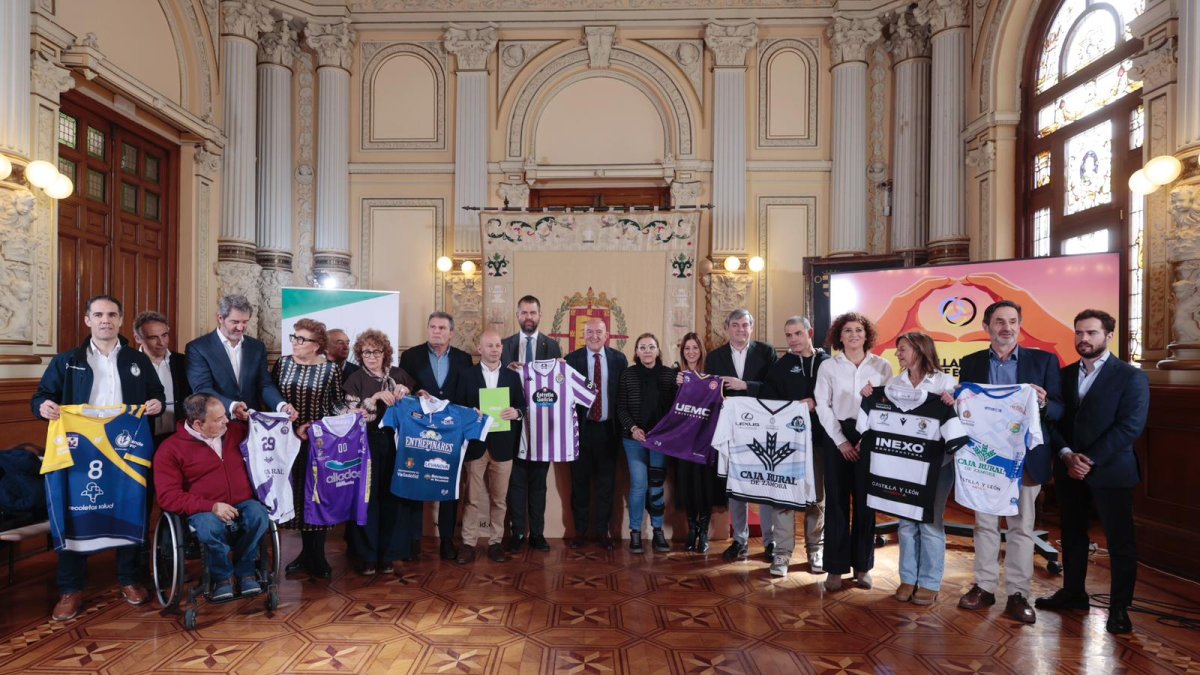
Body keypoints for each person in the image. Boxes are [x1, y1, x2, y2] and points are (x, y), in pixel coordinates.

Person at [31, 295, 164, 621]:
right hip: (80, 452)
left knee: (131, 508)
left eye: (112, 315)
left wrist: (156, 404)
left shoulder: (137, 359)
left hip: (124, 450)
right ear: (88, 320)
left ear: (120, 321)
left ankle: (130, 579)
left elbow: (156, 394)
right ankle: (70, 588)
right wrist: (43, 407)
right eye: (99, 314)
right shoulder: (67, 361)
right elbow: (41, 397)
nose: (106, 320)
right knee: (75, 513)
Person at [1036, 310, 1148, 635]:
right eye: (1079, 332)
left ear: (1108, 335)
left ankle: (1119, 608)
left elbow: (1130, 427)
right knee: (1072, 534)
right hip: (1069, 469)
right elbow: (1051, 419)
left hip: (1112, 472)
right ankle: (1073, 593)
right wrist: (1068, 455)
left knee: (1120, 541)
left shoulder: (1131, 377)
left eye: (1092, 333)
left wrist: (1088, 459)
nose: (1083, 339)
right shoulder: (1064, 374)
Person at [956, 300, 1063, 624]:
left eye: (1013, 321)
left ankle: (1018, 594)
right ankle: (985, 587)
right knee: (985, 525)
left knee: (1021, 528)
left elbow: (1060, 410)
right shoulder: (970, 362)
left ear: (1020, 325)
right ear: (987, 327)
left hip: (1024, 461)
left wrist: (1043, 404)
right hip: (985, 460)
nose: (1007, 327)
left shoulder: (1043, 361)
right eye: (1000, 321)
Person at [154, 394, 269, 600]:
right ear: (198, 424)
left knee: (259, 515)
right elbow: (167, 496)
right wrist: (212, 506)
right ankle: (222, 577)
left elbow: (271, 434)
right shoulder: (170, 449)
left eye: (225, 415)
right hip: (204, 509)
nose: (226, 421)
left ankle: (246, 571)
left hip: (243, 502)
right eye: (218, 419)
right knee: (209, 526)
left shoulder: (236, 431)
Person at [877, 333, 957, 605]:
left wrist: (954, 404)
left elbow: (958, 421)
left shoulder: (946, 382)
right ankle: (908, 578)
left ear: (920, 350)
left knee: (931, 521)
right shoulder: (895, 382)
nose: (898, 354)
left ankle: (930, 582)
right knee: (907, 520)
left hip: (938, 464)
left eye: (902, 349)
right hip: (904, 464)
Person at [814, 312, 892, 591]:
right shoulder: (828, 367)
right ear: (839, 336)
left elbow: (886, 406)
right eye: (847, 330)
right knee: (835, 502)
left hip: (870, 436)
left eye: (859, 330)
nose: (854, 335)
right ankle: (834, 568)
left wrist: (866, 438)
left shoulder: (883, 366)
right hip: (837, 436)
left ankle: (862, 566)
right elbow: (823, 406)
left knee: (865, 502)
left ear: (866, 334)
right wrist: (842, 442)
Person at [398, 312, 473, 560]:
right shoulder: (411, 356)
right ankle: (412, 542)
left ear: (451, 332)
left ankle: (447, 541)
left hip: (451, 434)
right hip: (419, 432)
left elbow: (467, 396)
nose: (436, 331)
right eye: (432, 327)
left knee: (450, 489)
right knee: (416, 483)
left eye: (442, 328)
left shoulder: (463, 359)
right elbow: (403, 392)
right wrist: (414, 394)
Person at [274, 318, 345, 579]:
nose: (295, 342)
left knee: (315, 496)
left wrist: (348, 416)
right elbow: (272, 399)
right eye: (294, 337)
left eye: (302, 339)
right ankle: (305, 554)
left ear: (317, 345)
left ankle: (318, 555)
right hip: (287, 442)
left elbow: (336, 404)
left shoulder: (330, 369)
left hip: (317, 443)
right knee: (295, 498)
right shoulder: (282, 364)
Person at [705, 309, 777, 562]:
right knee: (735, 488)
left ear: (752, 327)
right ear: (727, 329)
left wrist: (745, 385)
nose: (740, 330)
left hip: (762, 429)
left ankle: (770, 542)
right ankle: (740, 541)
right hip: (732, 431)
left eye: (745, 325)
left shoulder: (766, 353)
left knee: (765, 485)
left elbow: (775, 388)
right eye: (735, 325)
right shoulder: (714, 357)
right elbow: (710, 395)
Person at [343, 329, 416, 574]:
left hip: (396, 443)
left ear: (386, 353)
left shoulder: (399, 374)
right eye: (366, 352)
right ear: (359, 355)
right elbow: (352, 415)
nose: (371, 356)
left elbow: (416, 405)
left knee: (393, 498)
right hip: (366, 444)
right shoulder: (355, 378)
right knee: (367, 499)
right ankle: (367, 555)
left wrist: (408, 393)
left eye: (376, 351)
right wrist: (374, 398)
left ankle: (388, 554)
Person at [761, 316, 829, 572]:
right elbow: (769, 402)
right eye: (788, 335)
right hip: (787, 445)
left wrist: (816, 403)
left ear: (809, 332)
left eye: (798, 334)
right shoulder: (781, 366)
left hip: (820, 442)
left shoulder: (827, 363)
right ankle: (782, 553)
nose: (793, 340)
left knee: (817, 498)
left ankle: (816, 550)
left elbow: (838, 398)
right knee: (783, 498)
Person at [453, 330, 525, 564]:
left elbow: (521, 406)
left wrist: (517, 412)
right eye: (489, 346)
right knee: (471, 498)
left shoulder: (513, 377)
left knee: (499, 500)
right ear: (480, 349)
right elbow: (457, 409)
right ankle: (468, 544)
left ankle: (495, 543)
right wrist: (469, 413)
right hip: (476, 446)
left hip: (503, 447)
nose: (494, 349)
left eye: (497, 345)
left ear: (502, 349)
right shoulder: (466, 375)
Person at [502, 295, 562, 553]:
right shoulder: (504, 346)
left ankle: (537, 534)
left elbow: (558, 386)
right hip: (511, 424)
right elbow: (496, 378)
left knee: (539, 482)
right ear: (518, 315)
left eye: (533, 313)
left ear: (540, 315)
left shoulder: (553, 346)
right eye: (524, 313)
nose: (529, 317)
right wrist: (509, 369)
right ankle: (517, 534)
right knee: (515, 483)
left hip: (542, 426)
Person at [565, 318, 628, 550]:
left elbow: (622, 396)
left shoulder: (619, 359)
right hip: (579, 431)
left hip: (608, 431)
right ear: (584, 335)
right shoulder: (572, 360)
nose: (593, 336)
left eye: (598, 332)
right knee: (579, 484)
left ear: (606, 334)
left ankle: (603, 532)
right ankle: (580, 532)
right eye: (589, 332)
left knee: (606, 485)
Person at [185, 294, 297, 422]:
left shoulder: (257, 347)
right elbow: (202, 389)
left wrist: (281, 406)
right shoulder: (198, 348)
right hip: (216, 422)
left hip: (252, 422)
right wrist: (232, 406)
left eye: (245, 322)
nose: (240, 327)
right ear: (220, 318)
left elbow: (265, 384)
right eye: (235, 322)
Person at [616, 333, 677, 554]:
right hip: (634, 440)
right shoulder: (627, 375)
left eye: (651, 346)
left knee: (656, 486)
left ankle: (657, 531)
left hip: (659, 440)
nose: (647, 351)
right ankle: (635, 533)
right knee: (639, 485)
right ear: (636, 352)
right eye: (643, 347)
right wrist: (633, 429)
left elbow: (676, 409)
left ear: (658, 350)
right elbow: (621, 408)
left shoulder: (671, 375)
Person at [671, 332, 719, 552]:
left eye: (695, 348)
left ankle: (703, 532)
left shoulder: (712, 377)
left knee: (705, 487)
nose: (691, 352)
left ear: (701, 351)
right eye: (687, 348)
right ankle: (691, 529)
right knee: (686, 486)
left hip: (705, 442)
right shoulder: (677, 376)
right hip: (682, 443)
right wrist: (676, 385)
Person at [133, 311, 191, 443]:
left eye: (164, 335)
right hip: (141, 438)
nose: (162, 342)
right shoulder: (129, 364)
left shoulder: (183, 362)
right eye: (153, 337)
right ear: (137, 338)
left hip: (178, 437)